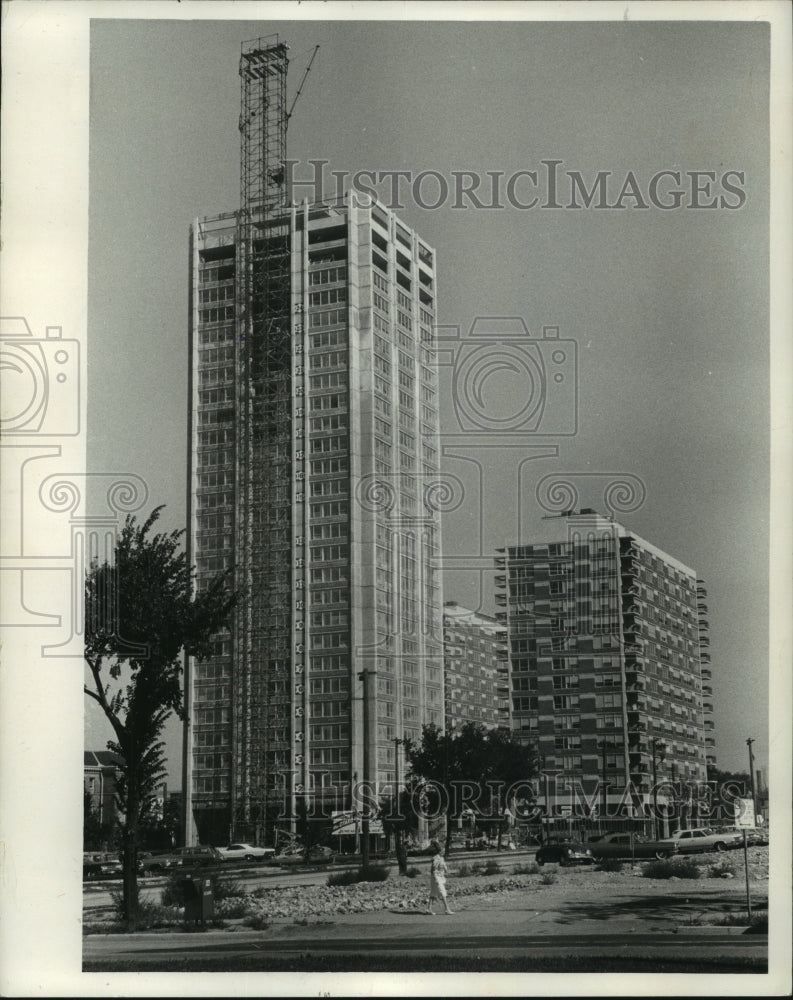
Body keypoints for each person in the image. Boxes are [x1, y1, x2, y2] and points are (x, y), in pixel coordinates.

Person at [426, 840, 453, 915]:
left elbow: (444, 868)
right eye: (443, 851)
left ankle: (428, 909)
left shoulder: (441, 858)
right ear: (439, 851)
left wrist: (447, 872)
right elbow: (433, 870)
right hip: (436, 878)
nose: (444, 852)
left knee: (433, 893)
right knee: (443, 892)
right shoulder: (436, 858)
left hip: (440, 878)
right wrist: (436, 879)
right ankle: (447, 909)